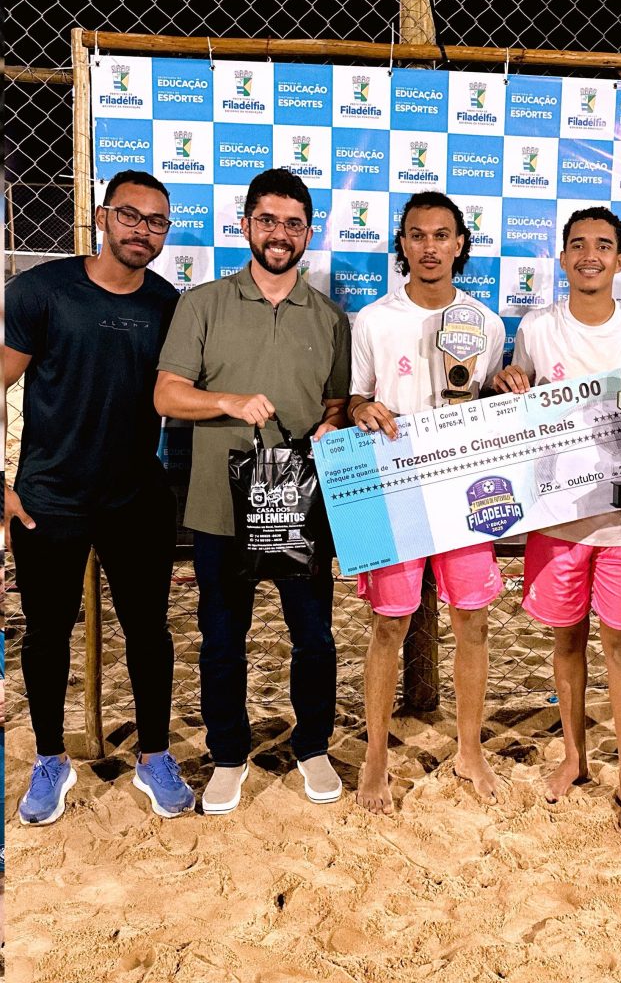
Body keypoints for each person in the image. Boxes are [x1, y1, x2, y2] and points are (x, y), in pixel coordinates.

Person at [154, 167, 351, 814]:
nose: (279, 233)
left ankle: (313, 745)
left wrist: (329, 425)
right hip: (218, 508)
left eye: (293, 223)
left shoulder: (327, 317)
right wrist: (229, 401)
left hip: (299, 508)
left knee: (314, 638)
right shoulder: (202, 302)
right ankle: (230, 755)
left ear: (308, 233)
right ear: (244, 225)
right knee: (221, 638)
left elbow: (336, 402)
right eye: (267, 219)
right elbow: (167, 394)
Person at [5, 169, 194, 823]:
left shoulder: (170, 307)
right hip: (49, 497)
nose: (143, 230)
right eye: (131, 215)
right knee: (47, 633)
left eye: (157, 221)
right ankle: (51, 759)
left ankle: (156, 755)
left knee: (149, 632)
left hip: (136, 497)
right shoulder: (39, 292)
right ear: (102, 216)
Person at [494, 206, 621, 834]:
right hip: (554, 516)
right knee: (566, 641)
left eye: (603, 245)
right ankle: (573, 757)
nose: (589, 255)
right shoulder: (537, 328)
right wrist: (505, 381)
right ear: (562, 257)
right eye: (577, 245)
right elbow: (517, 402)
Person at [349, 191, 506, 815]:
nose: (430, 247)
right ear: (403, 244)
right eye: (417, 235)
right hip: (392, 489)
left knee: (472, 620)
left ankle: (469, 750)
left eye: (442, 235)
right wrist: (363, 410)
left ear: (460, 243)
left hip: (464, 489)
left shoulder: (487, 323)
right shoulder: (374, 319)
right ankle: (375, 761)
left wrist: (504, 384)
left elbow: (490, 404)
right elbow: (354, 400)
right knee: (388, 624)